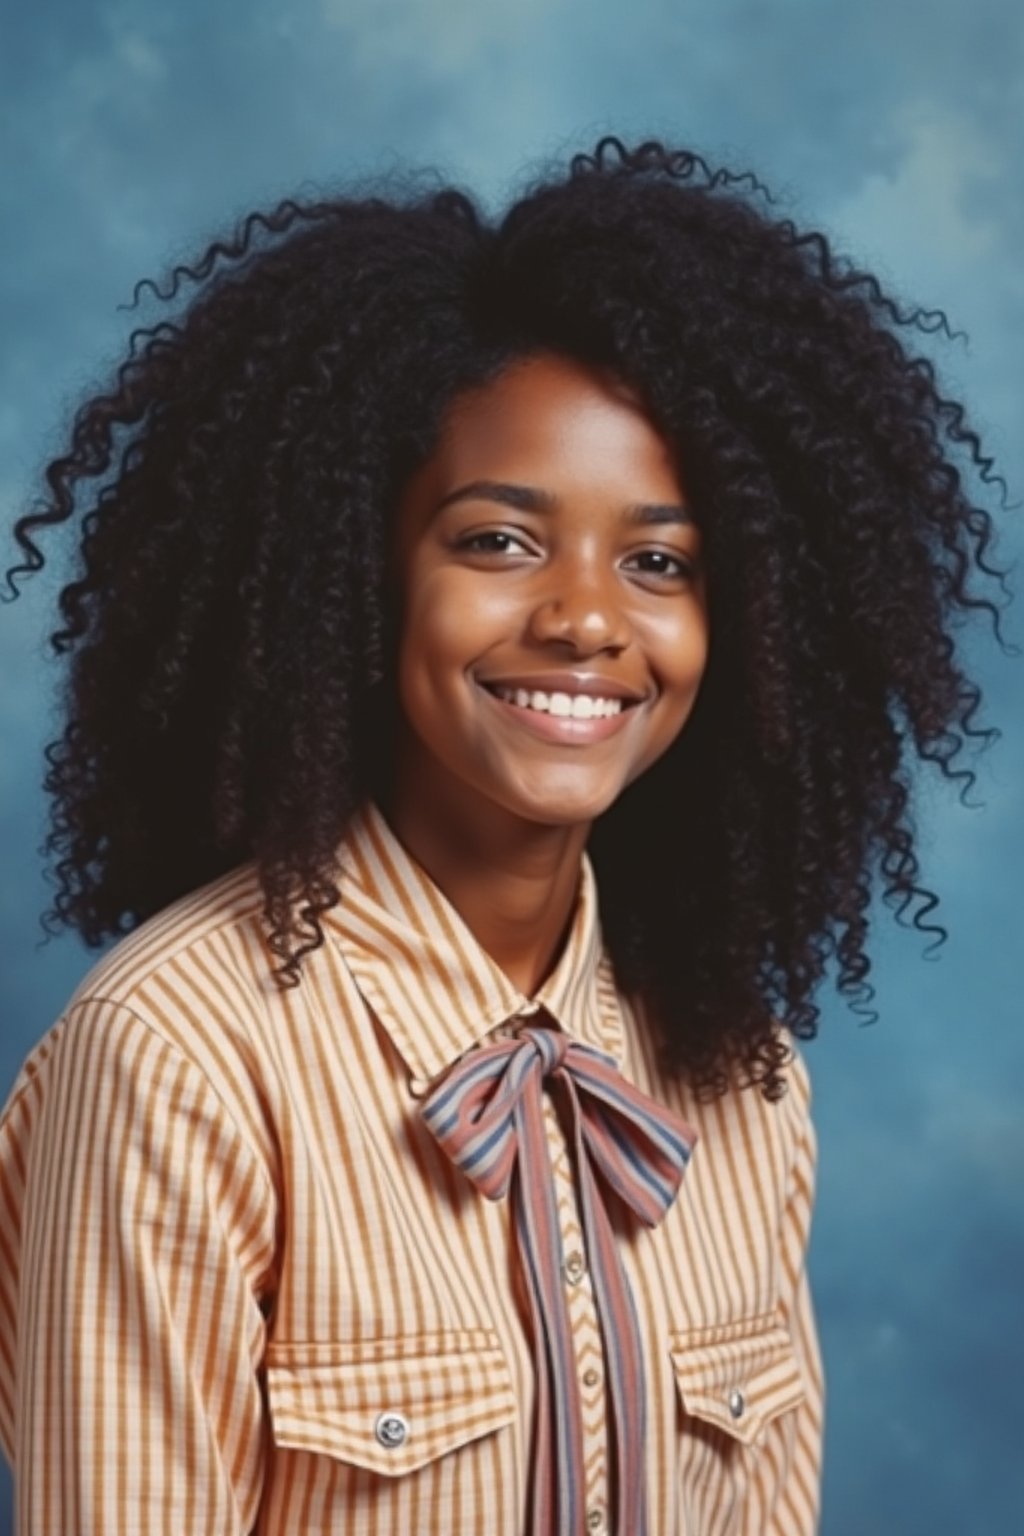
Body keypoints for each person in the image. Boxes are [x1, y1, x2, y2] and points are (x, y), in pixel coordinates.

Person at [0, 136, 1007, 1535]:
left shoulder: (746, 1081)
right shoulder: (173, 1059)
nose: (589, 619)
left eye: (659, 562)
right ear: (353, 579)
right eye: (500, 541)